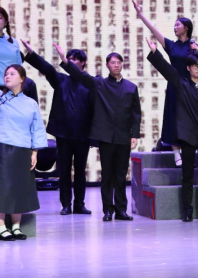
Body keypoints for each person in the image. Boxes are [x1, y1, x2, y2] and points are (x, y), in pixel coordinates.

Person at [59, 46, 141, 222]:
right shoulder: (99, 84)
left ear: (122, 65)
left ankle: (121, 210)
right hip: (105, 136)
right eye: (113, 62)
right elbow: (81, 76)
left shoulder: (131, 87)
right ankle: (108, 210)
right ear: (107, 65)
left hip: (123, 136)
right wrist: (66, 62)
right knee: (107, 175)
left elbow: (136, 113)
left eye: (119, 62)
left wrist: (134, 134)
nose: (116, 65)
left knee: (121, 175)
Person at [146, 40, 198, 222]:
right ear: (188, 68)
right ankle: (188, 209)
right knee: (187, 175)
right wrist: (155, 52)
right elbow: (168, 70)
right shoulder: (182, 85)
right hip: (188, 137)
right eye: (195, 66)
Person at [21, 40, 93, 215]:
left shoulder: (90, 82)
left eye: (74, 59)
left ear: (83, 63)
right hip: (63, 133)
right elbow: (47, 68)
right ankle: (66, 204)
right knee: (64, 170)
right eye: (68, 59)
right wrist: (32, 53)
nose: (70, 61)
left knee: (80, 171)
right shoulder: (60, 79)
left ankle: (80, 204)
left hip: (83, 133)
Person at [0, 65, 48, 241]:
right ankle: (1, 227)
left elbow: (37, 129)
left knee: (19, 187)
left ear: (22, 78)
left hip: (23, 149)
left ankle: (16, 226)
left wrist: (34, 152)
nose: (7, 76)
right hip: (0, 148)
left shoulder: (31, 103)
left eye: (12, 74)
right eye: (5, 74)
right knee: (0, 187)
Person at [132, 0, 198, 166]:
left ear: (186, 28)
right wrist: (140, 14)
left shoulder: (194, 46)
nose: (175, 27)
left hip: (191, 87)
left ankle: (189, 150)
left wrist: (197, 51)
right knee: (172, 117)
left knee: (190, 118)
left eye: (178, 25)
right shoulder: (171, 46)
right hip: (174, 86)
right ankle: (176, 153)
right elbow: (154, 31)